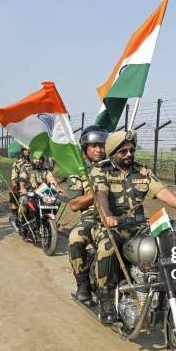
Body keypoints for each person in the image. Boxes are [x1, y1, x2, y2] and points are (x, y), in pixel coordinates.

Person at [91, 131, 176, 324]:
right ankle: (106, 298)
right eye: (124, 151)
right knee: (107, 248)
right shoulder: (100, 171)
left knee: (166, 244)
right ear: (113, 153)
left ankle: (161, 290)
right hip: (111, 226)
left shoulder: (142, 171)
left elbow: (162, 192)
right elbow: (101, 194)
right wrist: (107, 216)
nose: (129, 154)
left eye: (131, 150)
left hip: (139, 226)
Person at [66, 126, 108, 302]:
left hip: (117, 215)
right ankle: (82, 283)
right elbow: (74, 204)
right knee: (75, 239)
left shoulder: (113, 167)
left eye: (102, 145)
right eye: (94, 146)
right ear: (85, 149)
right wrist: (97, 193)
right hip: (91, 218)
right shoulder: (79, 172)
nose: (99, 150)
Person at [9, 148, 30, 232]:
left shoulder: (37, 161)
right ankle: (15, 217)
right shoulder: (18, 163)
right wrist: (14, 184)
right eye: (25, 149)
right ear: (22, 151)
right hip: (21, 188)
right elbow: (13, 177)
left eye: (29, 149)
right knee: (13, 194)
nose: (28, 151)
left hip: (36, 189)